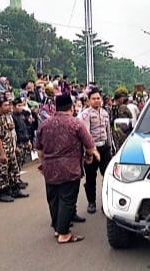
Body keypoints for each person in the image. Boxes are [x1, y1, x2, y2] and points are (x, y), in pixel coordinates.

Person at [36, 94, 100, 244]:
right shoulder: (75, 124)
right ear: (71, 107)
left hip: (50, 169)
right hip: (70, 169)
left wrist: (43, 163)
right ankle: (64, 234)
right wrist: (90, 156)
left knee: (54, 199)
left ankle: (58, 228)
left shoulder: (45, 124)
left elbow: (39, 149)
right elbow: (89, 145)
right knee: (67, 199)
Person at [80, 88, 114, 214]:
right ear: (88, 101)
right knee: (90, 177)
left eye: (98, 98)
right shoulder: (85, 115)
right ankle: (91, 202)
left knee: (108, 176)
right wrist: (92, 152)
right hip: (90, 150)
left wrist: (110, 147)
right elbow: (86, 135)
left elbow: (108, 131)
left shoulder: (105, 113)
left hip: (104, 148)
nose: (96, 101)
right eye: (93, 99)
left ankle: (106, 203)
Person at [0, 96, 28, 202]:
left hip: (11, 147)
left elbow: (12, 133)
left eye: (8, 105)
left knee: (13, 170)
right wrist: (2, 153)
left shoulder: (8, 116)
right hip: (3, 148)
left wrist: (15, 146)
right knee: (3, 172)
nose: (8, 107)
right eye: (5, 105)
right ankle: (2, 192)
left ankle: (14, 190)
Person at [12, 98, 32, 189]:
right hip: (18, 143)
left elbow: (25, 129)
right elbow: (13, 133)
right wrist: (15, 146)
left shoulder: (22, 116)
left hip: (24, 141)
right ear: (14, 107)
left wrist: (28, 141)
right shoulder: (12, 117)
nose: (20, 107)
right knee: (16, 162)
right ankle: (15, 181)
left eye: (21, 105)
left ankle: (18, 179)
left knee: (21, 162)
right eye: (18, 106)